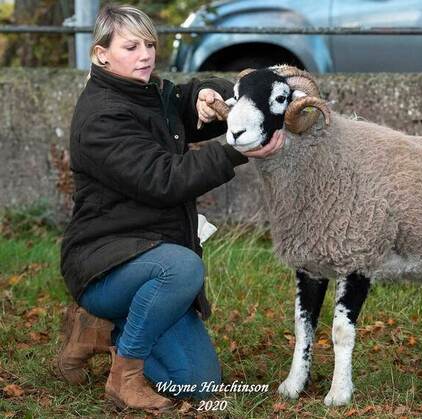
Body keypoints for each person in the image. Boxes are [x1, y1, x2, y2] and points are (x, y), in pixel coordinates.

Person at [55, 4, 284, 412]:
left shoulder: (148, 93)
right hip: (104, 262)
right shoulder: (102, 118)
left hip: (149, 258)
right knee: (181, 268)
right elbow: (163, 179)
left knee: (196, 383)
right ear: (101, 54)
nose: (145, 54)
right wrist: (234, 149)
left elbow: (183, 98)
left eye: (149, 44)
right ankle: (123, 375)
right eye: (131, 46)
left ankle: (101, 329)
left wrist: (207, 94)